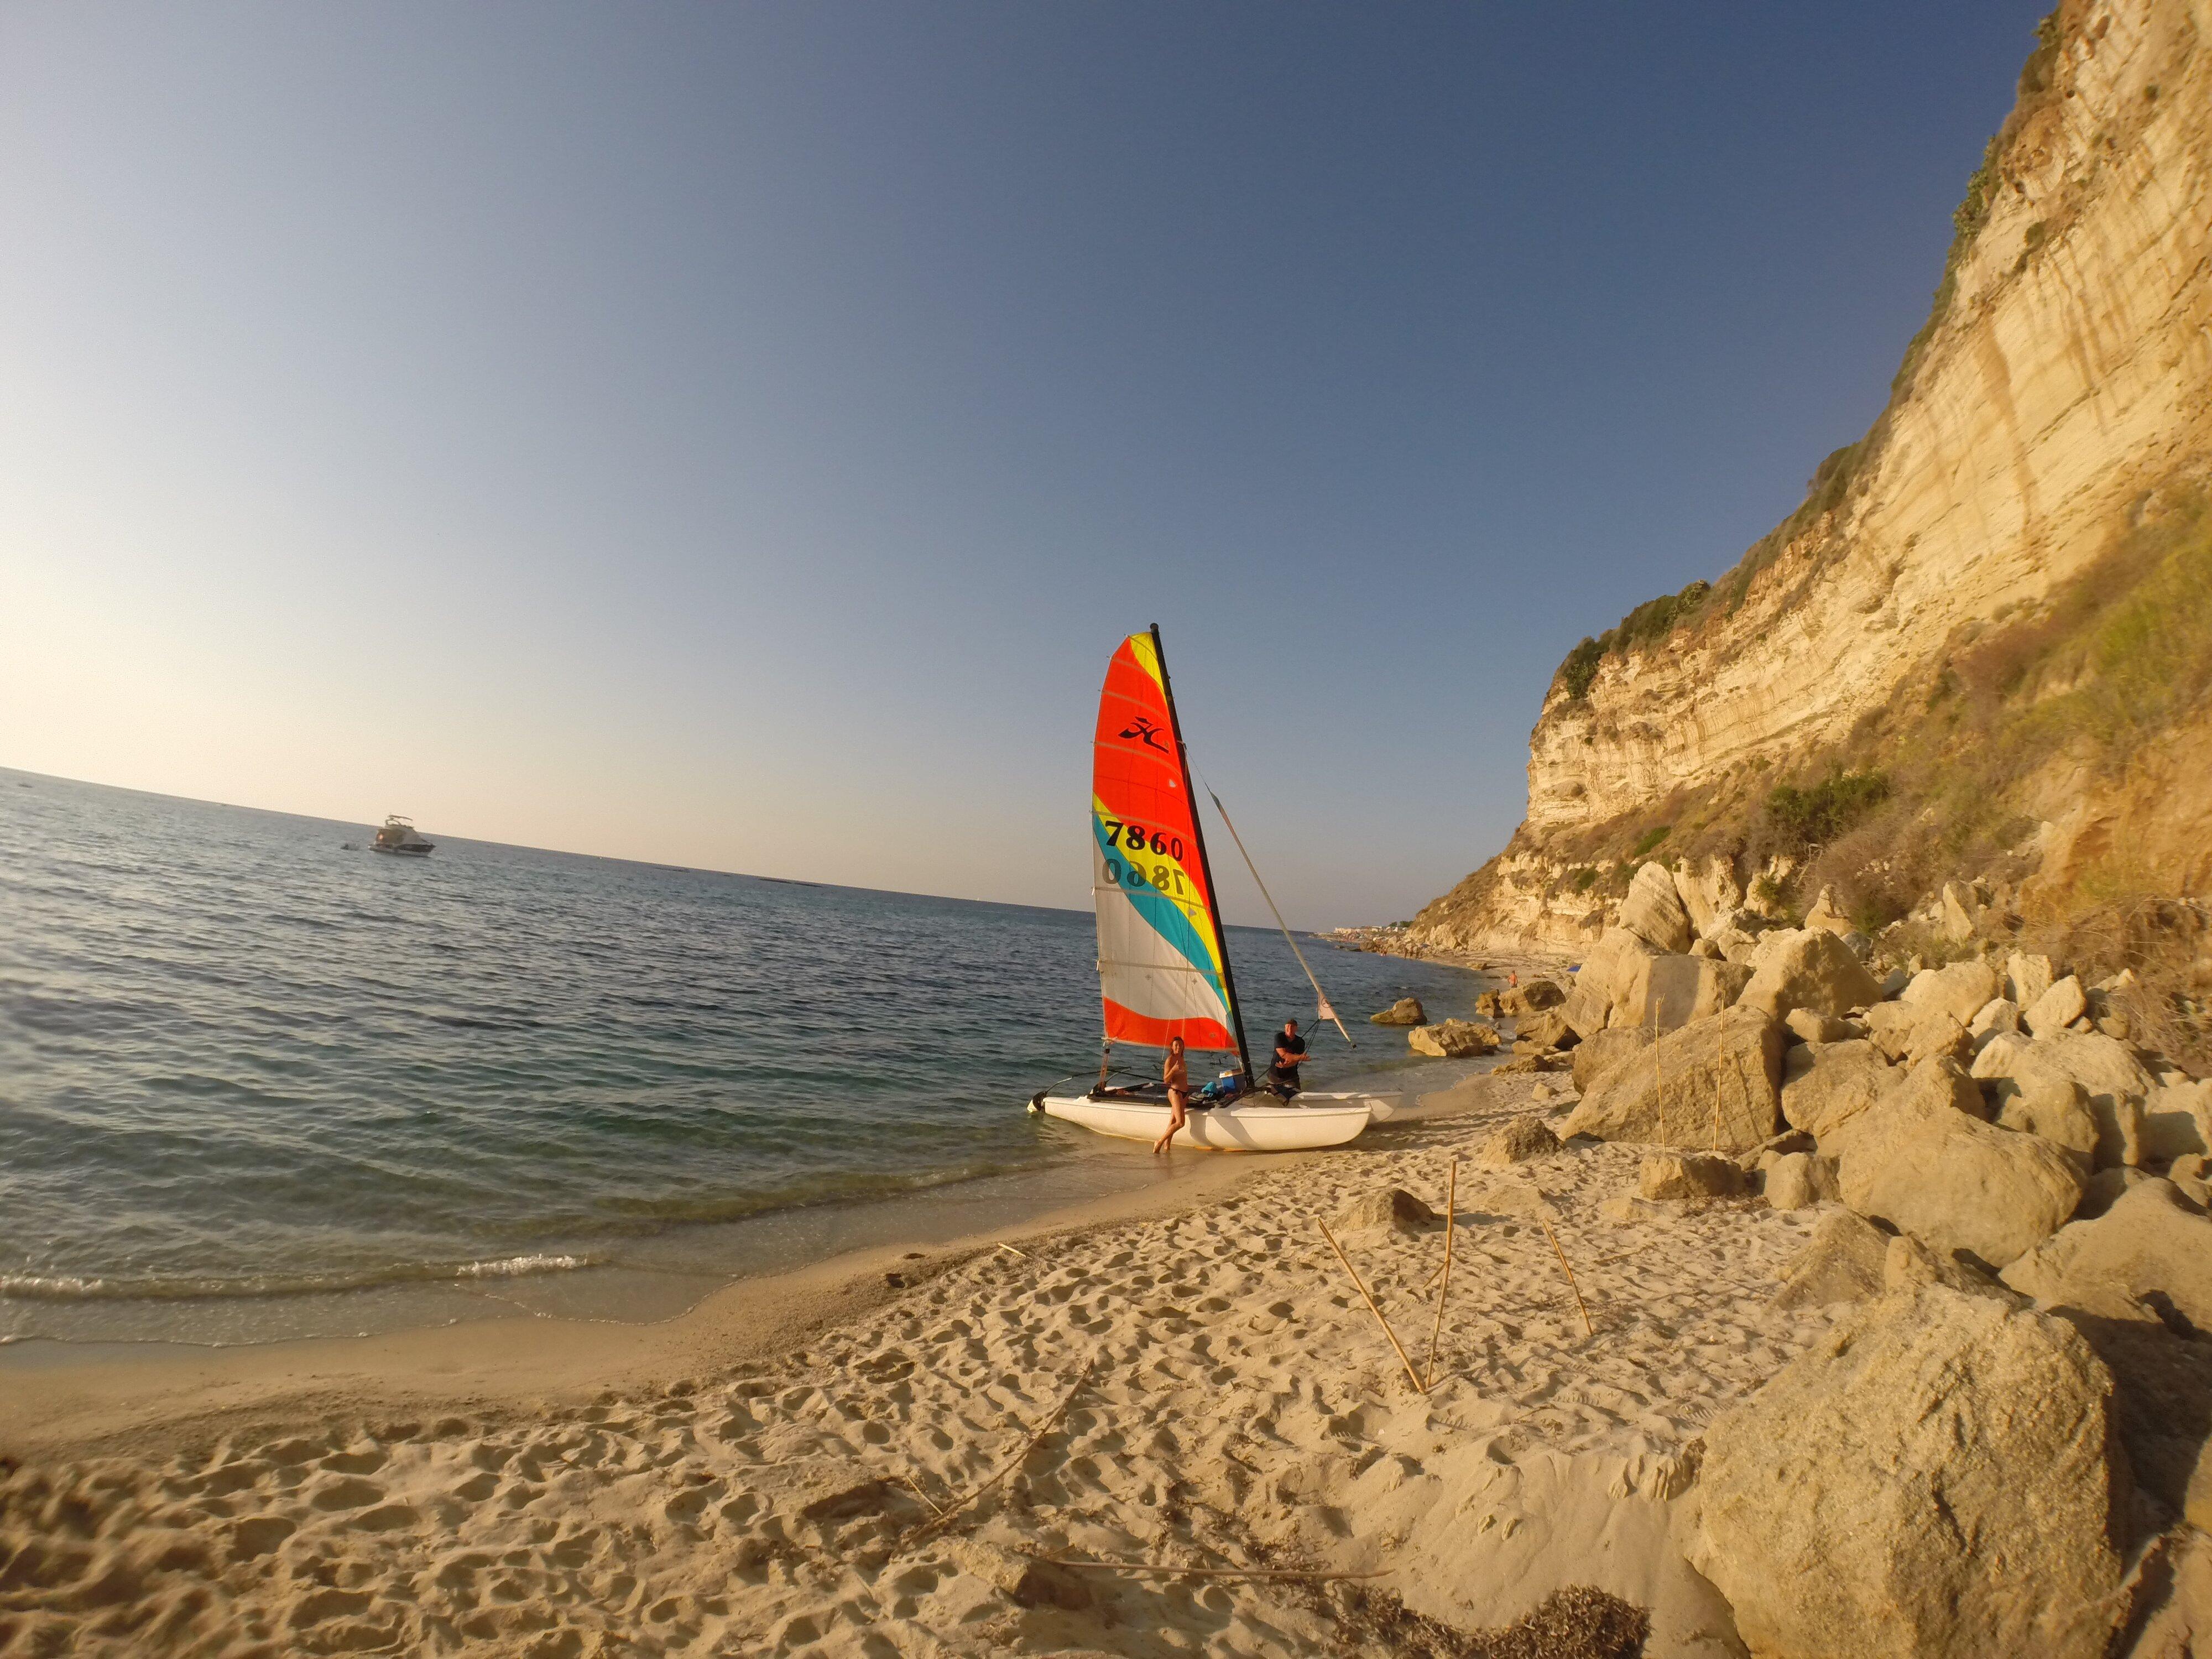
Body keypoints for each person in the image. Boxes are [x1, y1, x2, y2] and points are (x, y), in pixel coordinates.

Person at [1151, 1035, 1191, 1155]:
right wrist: (1173, 1070)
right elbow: (1166, 1080)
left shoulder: (1182, 1059)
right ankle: (1160, 1141)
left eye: (1180, 1045)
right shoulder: (1170, 1060)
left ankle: (1167, 1146)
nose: (1178, 1047)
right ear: (1172, 1048)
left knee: (1172, 1122)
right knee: (1180, 1123)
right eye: (1176, 1045)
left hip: (1184, 1094)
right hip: (1175, 1093)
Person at [1266, 1019, 1308, 1098]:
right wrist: (1299, 1057)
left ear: (1296, 1028)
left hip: (1291, 1075)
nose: (1289, 1029)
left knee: (1297, 1095)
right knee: (1273, 1097)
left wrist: (1287, 1065)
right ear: (1285, 1028)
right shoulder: (1279, 1037)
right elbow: (1282, 1054)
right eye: (1287, 1027)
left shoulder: (1300, 1042)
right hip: (1275, 1074)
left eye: (1292, 1027)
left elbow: (1295, 1062)